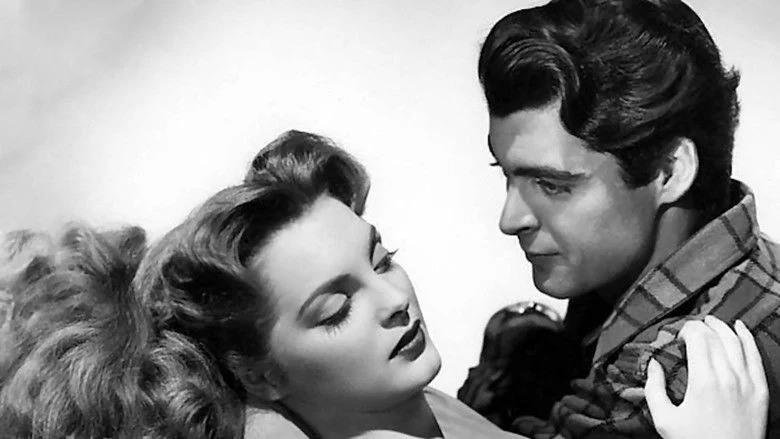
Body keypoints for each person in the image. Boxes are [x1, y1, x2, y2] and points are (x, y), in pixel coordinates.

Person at [0, 130, 769, 439]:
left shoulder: (409, 403)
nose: (395, 298)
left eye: (382, 258)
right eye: (336, 307)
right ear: (261, 373)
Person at [473, 0, 780, 437]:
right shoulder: (749, 271)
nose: (511, 219)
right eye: (507, 174)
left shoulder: (664, 382)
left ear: (669, 171)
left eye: (552, 185)